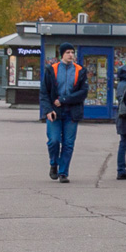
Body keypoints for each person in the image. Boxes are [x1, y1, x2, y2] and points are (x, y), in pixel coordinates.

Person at [40, 43, 88, 184]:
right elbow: (44, 93)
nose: (70, 55)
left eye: (72, 52)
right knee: (54, 141)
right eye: (67, 52)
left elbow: (83, 92)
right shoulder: (51, 70)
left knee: (68, 144)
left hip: (72, 112)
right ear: (62, 54)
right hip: (55, 112)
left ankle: (63, 173)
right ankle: (54, 163)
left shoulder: (80, 71)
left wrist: (64, 100)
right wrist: (48, 110)